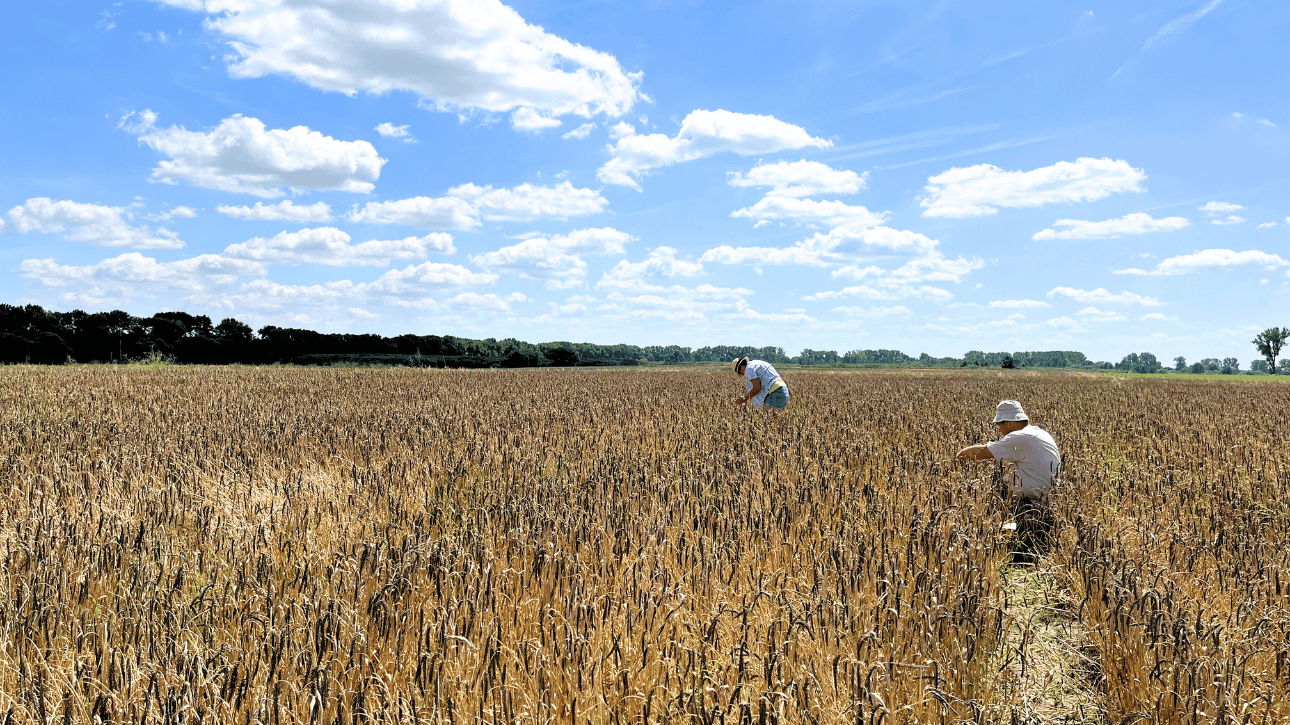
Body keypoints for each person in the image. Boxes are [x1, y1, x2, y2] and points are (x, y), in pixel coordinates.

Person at [956, 400, 1061, 503]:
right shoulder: (1039, 432)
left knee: (990, 487)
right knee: (1003, 480)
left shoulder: (1019, 437)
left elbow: (982, 452)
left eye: (999, 425)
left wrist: (958, 458)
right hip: (1050, 497)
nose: (1000, 430)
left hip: (1032, 502)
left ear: (1008, 422)